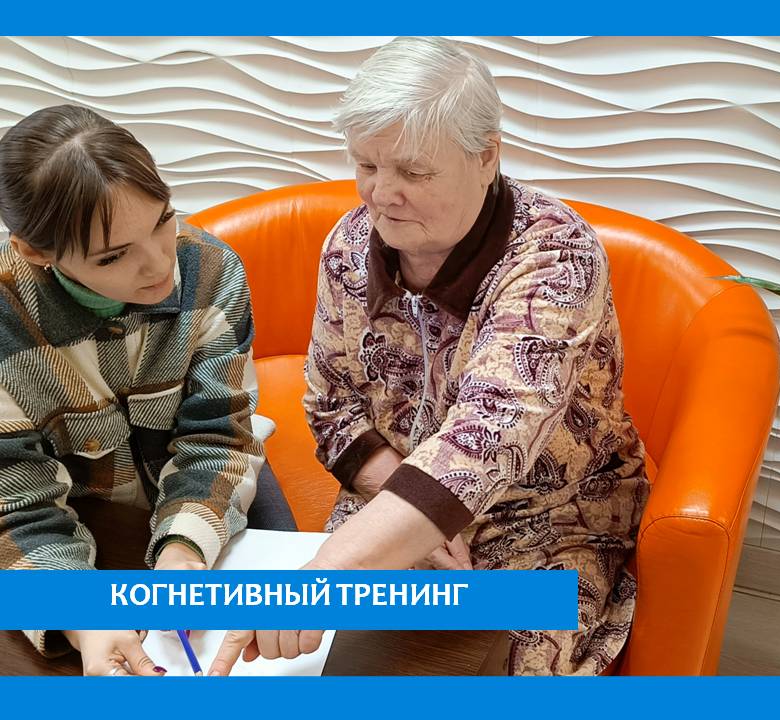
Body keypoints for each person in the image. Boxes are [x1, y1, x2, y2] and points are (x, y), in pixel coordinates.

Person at [212, 36, 648, 676]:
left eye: (414, 173)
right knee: (320, 671)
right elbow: (332, 409)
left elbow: (487, 440)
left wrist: (325, 574)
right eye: (366, 165)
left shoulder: (556, 258)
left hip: (549, 524)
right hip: (390, 504)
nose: (381, 194)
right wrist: (409, 520)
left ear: (486, 156)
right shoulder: (349, 245)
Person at [0, 105, 295, 676]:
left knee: (293, 642)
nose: (161, 265)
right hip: (74, 520)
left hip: (217, 480)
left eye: (164, 220)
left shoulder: (211, 269)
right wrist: (79, 615)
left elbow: (220, 437)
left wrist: (183, 552)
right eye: (114, 256)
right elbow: (15, 507)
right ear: (35, 252)